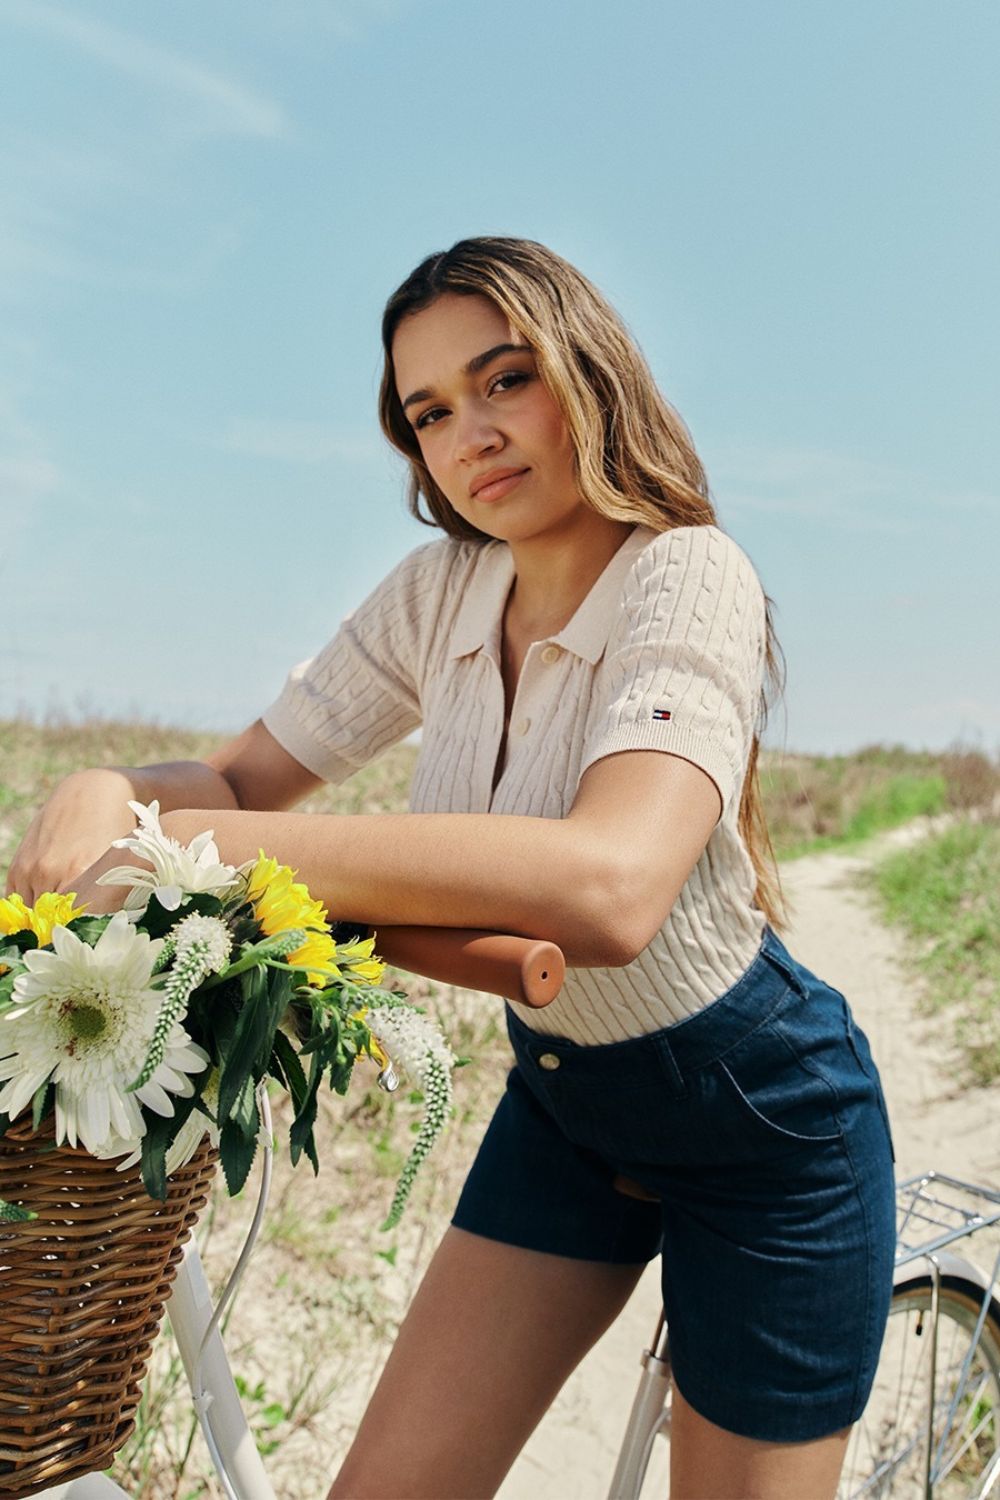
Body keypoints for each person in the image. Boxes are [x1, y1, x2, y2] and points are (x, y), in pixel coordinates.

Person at [7, 236, 897, 1500]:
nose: (469, 432)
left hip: (766, 1126)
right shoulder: (436, 593)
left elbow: (609, 888)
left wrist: (178, 846)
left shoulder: (690, 574)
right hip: (567, 1109)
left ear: (586, 373)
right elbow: (248, 782)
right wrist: (101, 793)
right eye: (429, 412)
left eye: (504, 379)